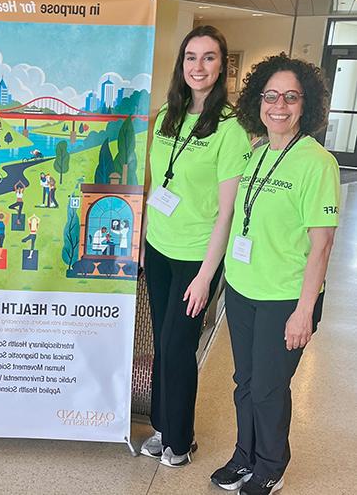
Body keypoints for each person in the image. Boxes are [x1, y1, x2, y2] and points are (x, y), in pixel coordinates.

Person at [210, 54, 339, 495]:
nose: (279, 105)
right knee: (244, 383)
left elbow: (322, 245)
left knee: (268, 387)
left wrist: (304, 312)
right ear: (257, 101)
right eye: (270, 96)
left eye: (290, 97)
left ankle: (270, 465)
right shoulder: (258, 152)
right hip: (244, 289)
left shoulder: (317, 162)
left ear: (307, 104)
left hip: (286, 295)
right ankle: (243, 456)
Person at [140, 25, 251, 468]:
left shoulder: (231, 128)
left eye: (208, 58)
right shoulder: (168, 115)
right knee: (162, 346)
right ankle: (164, 428)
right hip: (160, 247)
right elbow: (154, 185)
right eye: (191, 57)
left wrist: (207, 275)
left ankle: (181, 443)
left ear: (221, 66)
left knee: (178, 343)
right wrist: (144, 242)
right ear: (180, 64)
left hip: (195, 256)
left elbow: (227, 212)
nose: (198, 66)